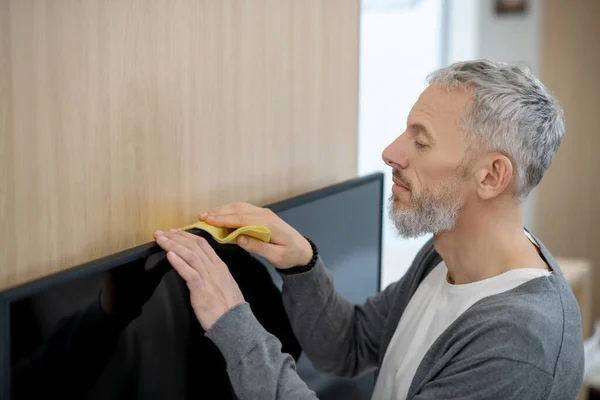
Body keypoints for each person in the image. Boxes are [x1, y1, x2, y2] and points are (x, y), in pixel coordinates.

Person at [152, 59, 585, 399]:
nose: (390, 152)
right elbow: (349, 347)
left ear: (491, 176)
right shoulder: (447, 254)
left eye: (421, 140)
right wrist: (302, 263)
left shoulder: (518, 347)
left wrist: (232, 320)